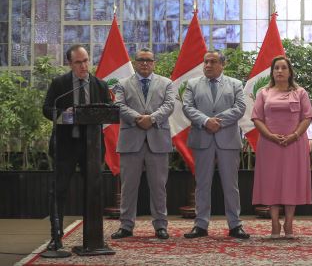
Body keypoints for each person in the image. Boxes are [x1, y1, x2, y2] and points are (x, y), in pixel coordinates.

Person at [42, 45, 111, 251]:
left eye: (86, 60)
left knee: (94, 192)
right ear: (70, 64)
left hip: (92, 147)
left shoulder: (99, 84)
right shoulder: (60, 84)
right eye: (79, 62)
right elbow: (47, 108)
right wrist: (65, 113)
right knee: (59, 191)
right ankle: (56, 236)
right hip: (65, 147)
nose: (84, 66)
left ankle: (94, 238)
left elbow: (108, 110)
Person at [182, 50, 249, 239]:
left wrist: (217, 121)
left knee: (231, 184)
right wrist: (205, 121)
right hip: (202, 138)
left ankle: (235, 225)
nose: (208, 65)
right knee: (202, 184)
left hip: (227, 139)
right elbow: (187, 107)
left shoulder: (235, 84)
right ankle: (201, 225)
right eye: (206, 62)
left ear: (222, 64)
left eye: (212, 62)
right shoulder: (192, 84)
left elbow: (240, 107)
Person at [111, 48, 175, 240]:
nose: (145, 63)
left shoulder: (167, 83)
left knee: (158, 186)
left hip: (158, 140)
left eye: (148, 60)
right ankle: (126, 226)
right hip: (131, 140)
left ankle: (161, 226)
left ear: (154, 62)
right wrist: (139, 118)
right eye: (141, 60)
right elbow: (119, 105)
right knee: (128, 186)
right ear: (135, 62)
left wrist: (152, 119)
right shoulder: (122, 84)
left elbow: (169, 105)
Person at [251, 56, 312, 239]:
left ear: (290, 71)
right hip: (269, 144)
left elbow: (307, 117)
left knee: (290, 182)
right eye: (276, 68)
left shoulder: (300, 92)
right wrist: (270, 135)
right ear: (272, 72)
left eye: (283, 68)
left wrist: (294, 135)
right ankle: (274, 223)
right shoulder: (264, 92)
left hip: (294, 144)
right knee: (272, 182)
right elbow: (257, 118)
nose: (279, 71)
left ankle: (289, 222)